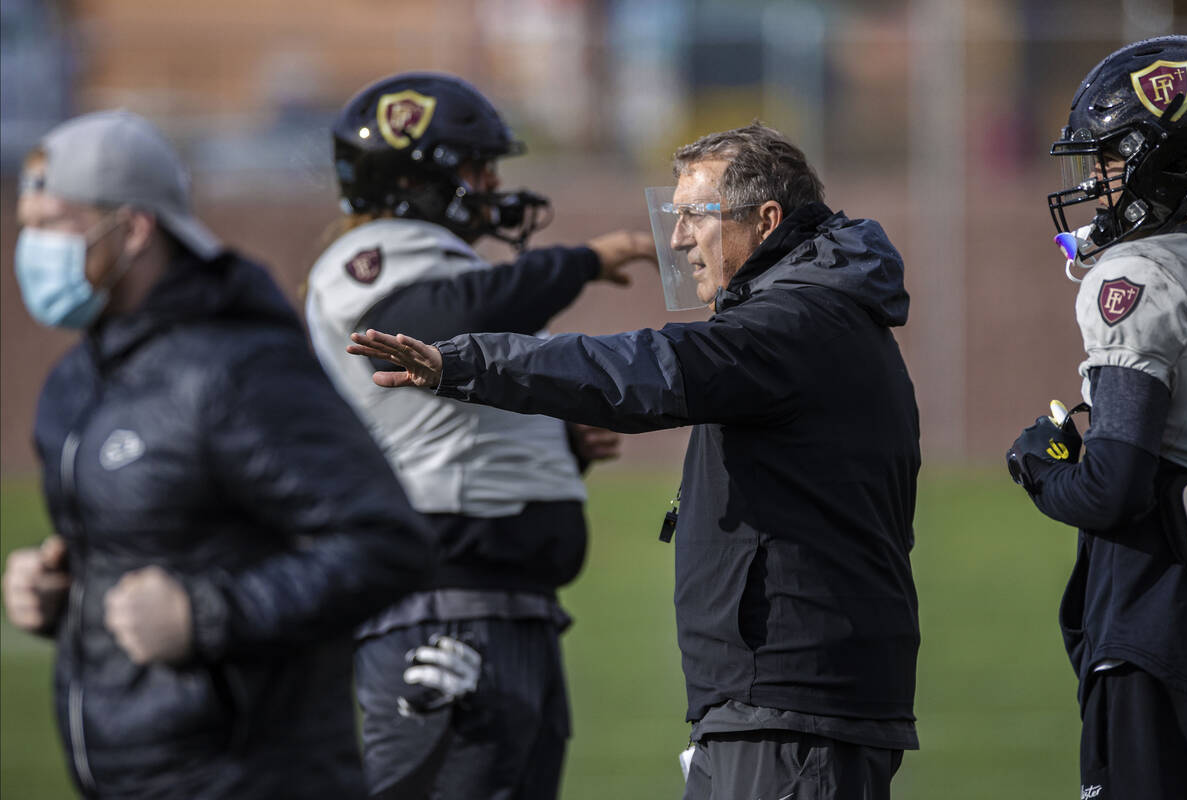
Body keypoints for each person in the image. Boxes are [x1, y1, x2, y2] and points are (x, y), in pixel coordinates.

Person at [347, 121, 922, 800]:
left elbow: (641, 370)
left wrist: (465, 363)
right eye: (673, 217)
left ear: (767, 220)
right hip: (772, 701)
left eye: (694, 216)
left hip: (793, 706)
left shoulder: (797, 323)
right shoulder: (813, 313)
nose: (677, 239)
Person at [0, 109, 437, 799]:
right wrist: (64, 596)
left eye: (54, 224)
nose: (32, 246)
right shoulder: (76, 383)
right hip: (122, 779)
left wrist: (210, 615)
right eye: (27, 223)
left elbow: (386, 543)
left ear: (135, 228)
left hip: (253, 779)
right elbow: (157, 549)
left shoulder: (241, 369)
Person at [305, 72, 653, 799]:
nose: (492, 183)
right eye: (474, 165)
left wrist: (560, 449)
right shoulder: (364, 259)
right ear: (414, 176)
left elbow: (448, 407)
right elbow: (440, 324)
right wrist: (583, 260)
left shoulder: (441, 259)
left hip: (506, 605)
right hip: (443, 610)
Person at [1005, 35, 1187, 798]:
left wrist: (1041, 465)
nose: (1096, 179)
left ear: (1171, 159)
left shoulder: (1139, 274)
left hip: (1158, 618)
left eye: (1112, 157)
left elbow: (1112, 485)